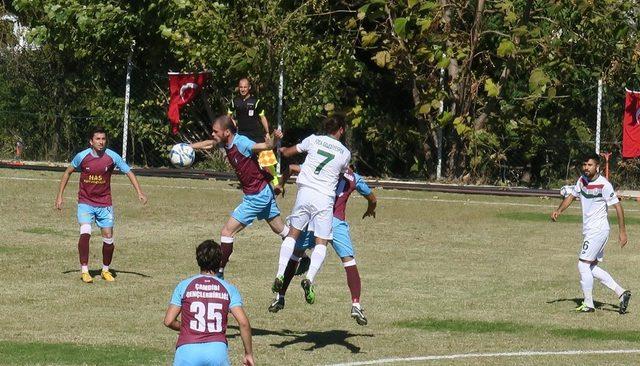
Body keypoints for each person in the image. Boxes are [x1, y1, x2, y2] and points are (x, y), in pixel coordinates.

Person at [269, 165, 376, 325]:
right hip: (336, 222)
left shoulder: (324, 169)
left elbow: (291, 167)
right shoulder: (355, 177)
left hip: (315, 218)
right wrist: (370, 209)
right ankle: (356, 304)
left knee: (295, 255)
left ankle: (280, 297)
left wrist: (280, 184)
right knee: (349, 262)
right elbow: (372, 198)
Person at [190, 115, 289, 278]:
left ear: (227, 132)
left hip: (257, 196)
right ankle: (302, 255)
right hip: (263, 191)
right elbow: (210, 144)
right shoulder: (224, 141)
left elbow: (265, 146)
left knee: (227, 232)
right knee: (280, 229)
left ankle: (218, 272)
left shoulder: (241, 143)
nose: (213, 134)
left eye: (216, 131)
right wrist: (189, 147)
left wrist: (274, 139)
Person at [271, 116, 351, 304]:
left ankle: (280, 273)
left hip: (305, 192)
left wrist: (283, 149)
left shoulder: (313, 139)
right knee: (321, 242)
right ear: (341, 130)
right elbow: (342, 172)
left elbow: (290, 152)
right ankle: (309, 279)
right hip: (324, 198)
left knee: (292, 235)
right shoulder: (345, 153)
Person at [55, 127, 147, 283]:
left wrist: (139, 192)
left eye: (103, 139)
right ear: (91, 141)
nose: (101, 142)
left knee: (108, 237)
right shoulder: (82, 156)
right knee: (85, 232)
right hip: (85, 202)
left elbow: (129, 172)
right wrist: (59, 196)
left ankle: (105, 270)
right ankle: (84, 271)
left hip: (104, 203)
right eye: (97, 139)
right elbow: (67, 172)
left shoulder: (112, 157)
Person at [551, 153, 631, 314]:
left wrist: (622, 232)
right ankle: (621, 292)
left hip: (599, 230)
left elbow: (618, 207)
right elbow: (572, 196)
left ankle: (588, 304)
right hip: (590, 230)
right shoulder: (582, 180)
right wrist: (559, 210)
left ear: (597, 167)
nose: (586, 168)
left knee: (582, 265)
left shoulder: (604, 184)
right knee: (591, 267)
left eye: (590, 165)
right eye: (585, 165)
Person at [164, 240, 254, 366]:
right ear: (220, 261)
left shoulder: (184, 286)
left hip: (187, 349)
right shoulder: (228, 288)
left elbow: (168, 321)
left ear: (198, 260)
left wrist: (186, 327)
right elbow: (244, 323)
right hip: (217, 351)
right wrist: (248, 354)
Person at [228, 77, 279, 186]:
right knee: (244, 159)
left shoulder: (256, 102)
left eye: (245, 87)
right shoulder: (234, 102)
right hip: (242, 135)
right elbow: (229, 116)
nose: (243, 89)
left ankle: (275, 182)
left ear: (249, 88)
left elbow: (262, 117)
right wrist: (233, 123)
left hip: (256, 134)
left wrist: (267, 132)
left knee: (266, 158)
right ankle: (247, 181)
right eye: (241, 87)